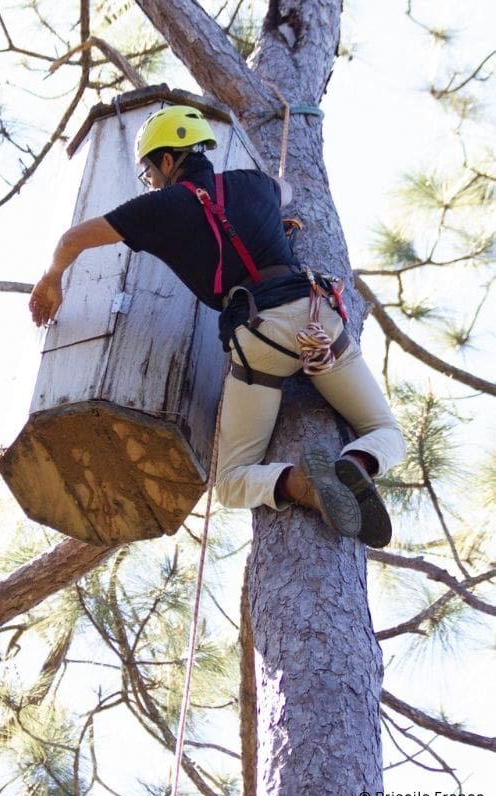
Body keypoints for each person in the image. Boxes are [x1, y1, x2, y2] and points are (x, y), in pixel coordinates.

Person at [29, 105, 404, 547]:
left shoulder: (158, 206)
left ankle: (300, 485)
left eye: (148, 170)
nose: (148, 179)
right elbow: (285, 190)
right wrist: (266, 221)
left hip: (257, 339)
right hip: (314, 319)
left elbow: (72, 239)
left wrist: (52, 278)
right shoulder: (253, 184)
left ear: (168, 161)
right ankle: (356, 465)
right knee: (385, 432)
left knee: (228, 482)